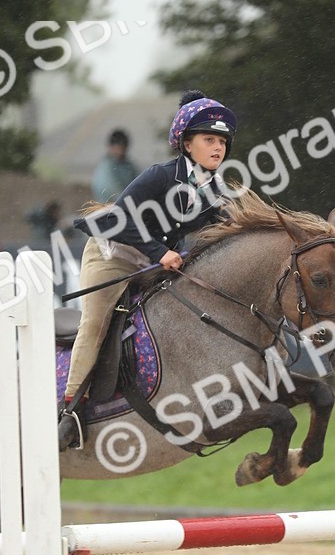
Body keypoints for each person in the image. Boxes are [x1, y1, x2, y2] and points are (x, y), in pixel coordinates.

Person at [57, 90, 238, 450]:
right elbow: (121, 221)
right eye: (209, 140)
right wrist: (160, 252)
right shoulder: (160, 176)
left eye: (222, 141)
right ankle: (70, 411)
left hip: (153, 259)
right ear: (187, 145)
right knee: (95, 324)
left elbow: (228, 225)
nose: (218, 147)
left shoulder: (214, 188)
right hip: (113, 254)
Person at [91, 129, 140, 203]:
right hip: (109, 207)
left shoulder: (128, 165)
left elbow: (139, 180)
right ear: (111, 147)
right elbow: (112, 190)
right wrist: (129, 201)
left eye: (124, 148)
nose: (122, 152)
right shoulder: (106, 167)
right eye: (120, 148)